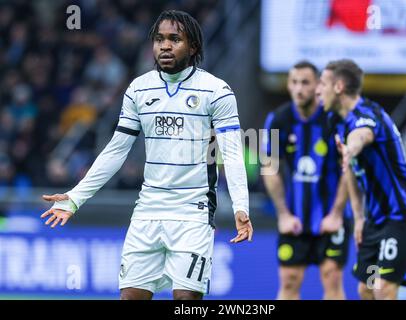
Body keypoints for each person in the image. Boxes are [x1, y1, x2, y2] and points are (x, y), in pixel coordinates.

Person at [40, 10, 253, 300]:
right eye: (159, 39)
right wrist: (76, 197)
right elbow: (116, 149)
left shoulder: (216, 91)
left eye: (175, 39)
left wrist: (241, 205)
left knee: (186, 300)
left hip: (193, 212)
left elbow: (231, 152)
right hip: (147, 211)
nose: (165, 46)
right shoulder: (139, 89)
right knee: (130, 297)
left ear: (193, 47)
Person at [317, 59, 406, 300]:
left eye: (322, 83)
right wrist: (359, 218)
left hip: (403, 216)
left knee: (383, 288)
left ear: (338, 86)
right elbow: (350, 171)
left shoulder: (368, 115)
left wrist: (351, 148)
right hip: (376, 221)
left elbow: (363, 135)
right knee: (366, 288)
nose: (318, 90)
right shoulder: (337, 121)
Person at [262, 61, 351, 300]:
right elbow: (270, 168)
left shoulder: (334, 119)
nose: (298, 88)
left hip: (331, 218)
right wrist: (282, 214)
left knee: (332, 278)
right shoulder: (277, 120)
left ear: (318, 86)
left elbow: (348, 169)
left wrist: (336, 213)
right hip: (295, 219)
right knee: (289, 282)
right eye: (294, 82)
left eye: (305, 82)